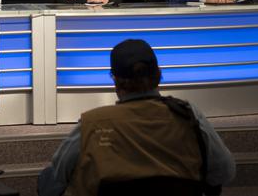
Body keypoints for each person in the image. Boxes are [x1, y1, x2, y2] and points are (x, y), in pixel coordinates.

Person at [38, 39, 236, 196]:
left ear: (115, 81)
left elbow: (51, 184)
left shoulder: (92, 125)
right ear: (158, 75)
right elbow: (224, 172)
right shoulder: (189, 115)